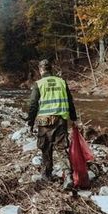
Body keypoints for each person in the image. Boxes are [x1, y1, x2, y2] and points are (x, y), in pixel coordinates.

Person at [27, 59, 78, 190]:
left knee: (45, 148)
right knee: (61, 148)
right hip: (61, 120)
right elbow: (70, 101)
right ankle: (68, 176)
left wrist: (30, 123)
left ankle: (46, 176)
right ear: (51, 69)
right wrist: (74, 118)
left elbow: (33, 105)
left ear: (41, 70)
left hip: (45, 122)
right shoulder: (61, 82)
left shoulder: (38, 84)